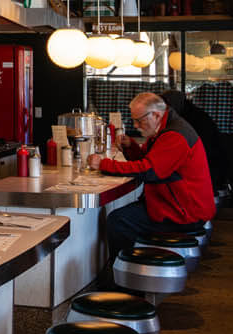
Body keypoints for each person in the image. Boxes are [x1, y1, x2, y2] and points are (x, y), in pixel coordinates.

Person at [90, 91, 215, 256]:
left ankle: (123, 273)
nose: (135, 126)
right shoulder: (164, 129)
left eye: (138, 120)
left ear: (156, 115)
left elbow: (150, 170)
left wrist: (104, 164)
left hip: (185, 212)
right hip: (174, 205)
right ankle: (129, 267)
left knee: (119, 221)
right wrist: (131, 147)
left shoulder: (175, 135)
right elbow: (154, 161)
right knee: (123, 217)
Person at [163, 89, 230, 195]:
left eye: (166, 105)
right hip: (209, 162)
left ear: (173, 104)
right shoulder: (191, 114)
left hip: (207, 163)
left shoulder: (189, 119)